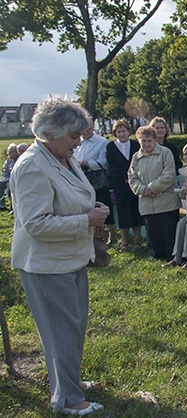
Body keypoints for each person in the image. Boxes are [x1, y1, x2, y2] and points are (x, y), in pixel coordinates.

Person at [10, 96, 109, 415]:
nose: (79, 142)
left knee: (74, 325)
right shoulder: (32, 166)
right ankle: (67, 400)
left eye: (81, 135)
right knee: (61, 330)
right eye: (73, 136)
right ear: (49, 133)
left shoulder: (61, 157)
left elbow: (69, 198)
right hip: (46, 264)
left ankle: (70, 381)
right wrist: (86, 220)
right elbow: (36, 224)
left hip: (70, 257)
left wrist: (90, 209)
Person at [128, 126, 181, 261]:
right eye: (143, 141)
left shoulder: (165, 153)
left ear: (155, 140)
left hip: (166, 202)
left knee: (169, 232)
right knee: (154, 233)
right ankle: (159, 255)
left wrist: (151, 188)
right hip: (147, 204)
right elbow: (132, 178)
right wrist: (142, 189)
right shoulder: (136, 157)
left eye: (149, 141)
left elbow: (169, 175)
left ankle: (171, 256)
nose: (146, 144)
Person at [74, 124, 117, 245]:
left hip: (98, 178)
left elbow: (104, 162)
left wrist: (87, 163)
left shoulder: (102, 141)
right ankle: (95, 236)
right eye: (83, 129)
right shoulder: (78, 142)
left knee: (104, 206)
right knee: (87, 207)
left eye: (88, 128)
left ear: (93, 128)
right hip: (82, 178)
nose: (85, 132)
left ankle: (112, 236)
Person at [106, 119, 144, 251]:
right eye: (118, 131)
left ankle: (137, 241)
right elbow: (112, 166)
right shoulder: (111, 147)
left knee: (136, 211)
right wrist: (126, 177)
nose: (121, 134)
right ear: (115, 133)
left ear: (129, 131)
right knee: (123, 212)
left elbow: (139, 162)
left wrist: (133, 178)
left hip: (136, 183)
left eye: (124, 131)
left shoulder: (136, 145)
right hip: (120, 185)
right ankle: (124, 242)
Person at [0, 143, 18, 210]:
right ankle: (2, 205)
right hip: (7, 180)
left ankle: (13, 207)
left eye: (11, 152)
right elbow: (4, 172)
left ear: (16, 152)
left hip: (16, 181)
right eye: (9, 152)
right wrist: (7, 180)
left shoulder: (20, 159)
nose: (9, 154)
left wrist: (11, 181)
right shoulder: (8, 160)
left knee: (11, 189)